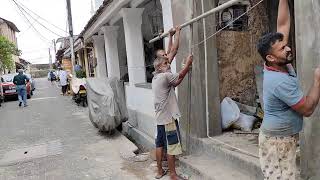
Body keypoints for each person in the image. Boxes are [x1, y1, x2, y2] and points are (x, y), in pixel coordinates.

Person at [257, 0, 320, 179]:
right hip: (277, 142)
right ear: (270, 57)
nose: (288, 48)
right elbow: (307, 109)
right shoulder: (278, 81)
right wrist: (317, 81)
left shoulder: (274, 61)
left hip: (282, 138)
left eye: (285, 45)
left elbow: (283, 24)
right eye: (283, 48)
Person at [152, 54, 193, 180]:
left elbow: (176, 82)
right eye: (165, 63)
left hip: (160, 119)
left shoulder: (156, 78)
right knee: (172, 146)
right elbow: (179, 75)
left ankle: (160, 171)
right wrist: (188, 63)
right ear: (159, 67)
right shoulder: (165, 76)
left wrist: (186, 69)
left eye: (168, 62)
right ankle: (173, 175)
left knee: (159, 144)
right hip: (168, 119)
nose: (168, 65)